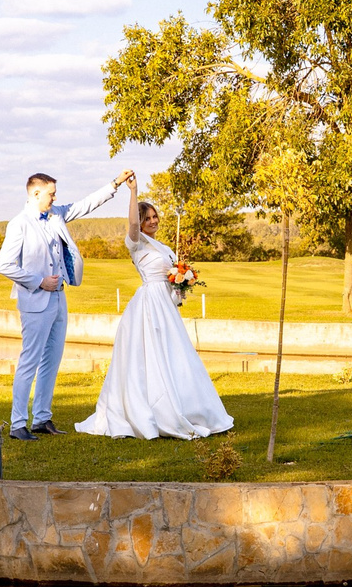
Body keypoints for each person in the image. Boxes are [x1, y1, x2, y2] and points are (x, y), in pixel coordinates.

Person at [75, 181, 234, 439]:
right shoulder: (136, 243)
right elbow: (133, 227)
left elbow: (172, 276)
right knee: (147, 357)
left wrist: (182, 283)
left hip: (167, 306)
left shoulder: (166, 248)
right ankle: (153, 411)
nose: (153, 221)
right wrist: (133, 192)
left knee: (175, 356)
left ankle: (189, 407)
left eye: (154, 216)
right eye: (147, 217)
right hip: (148, 304)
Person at [0, 169, 130, 439]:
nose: (55, 197)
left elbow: (85, 205)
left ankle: (42, 419)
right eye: (51, 193)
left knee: (52, 360)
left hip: (59, 297)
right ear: (35, 194)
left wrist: (114, 183)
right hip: (35, 300)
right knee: (29, 361)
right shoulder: (19, 224)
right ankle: (17, 424)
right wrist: (38, 281)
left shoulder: (56, 214)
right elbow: (4, 266)